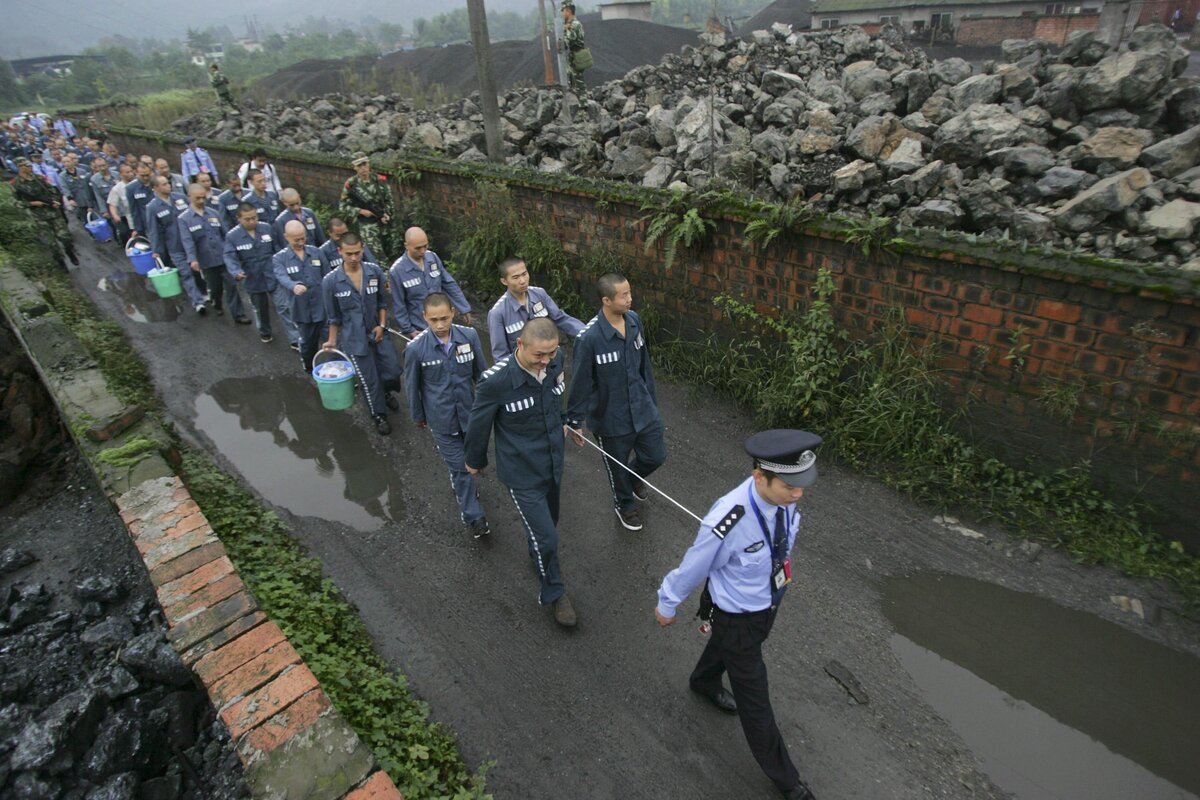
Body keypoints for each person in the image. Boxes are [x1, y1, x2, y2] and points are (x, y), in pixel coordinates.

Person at [654, 430, 823, 800]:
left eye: (802, 485)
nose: (798, 494)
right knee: (755, 702)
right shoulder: (730, 519)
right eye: (790, 486)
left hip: (766, 605)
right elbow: (696, 564)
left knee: (727, 648)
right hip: (736, 616)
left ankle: (703, 682)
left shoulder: (786, 500)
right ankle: (787, 780)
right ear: (759, 476)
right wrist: (668, 602)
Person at [464, 317, 580, 628]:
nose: (545, 361)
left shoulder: (555, 363)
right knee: (548, 539)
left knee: (547, 524)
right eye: (538, 355)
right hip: (521, 471)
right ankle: (555, 593)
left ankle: (537, 551)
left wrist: (569, 421)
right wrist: (474, 461)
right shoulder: (495, 382)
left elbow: (559, 396)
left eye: (551, 354)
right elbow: (479, 424)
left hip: (553, 463)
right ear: (520, 345)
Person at [566, 273, 666, 532]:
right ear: (606, 300)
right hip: (611, 418)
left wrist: (651, 400)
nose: (630, 299)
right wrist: (574, 421)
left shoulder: (634, 321)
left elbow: (645, 364)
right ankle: (624, 506)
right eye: (624, 296)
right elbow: (580, 381)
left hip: (642, 409)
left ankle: (632, 478)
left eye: (630, 293)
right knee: (616, 466)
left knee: (656, 455)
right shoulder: (589, 338)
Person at [405, 293, 490, 539]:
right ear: (425, 318)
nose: (440, 325)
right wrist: (418, 415)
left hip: (470, 415)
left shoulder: (469, 336)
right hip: (441, 420)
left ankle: (464, 475)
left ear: (452, 312)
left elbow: (481, 375)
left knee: (473, 458)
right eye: (434, 320)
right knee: (462, 470)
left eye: (444, 318)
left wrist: (488, 408)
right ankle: (474, 516)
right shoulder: (415, 349)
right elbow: (413, 387)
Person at [321, 233, 402, 435]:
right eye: (349, 254)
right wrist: (331, 341)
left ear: (363, 248)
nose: (354, 257)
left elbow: (383, 303)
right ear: (340, 252)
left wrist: (382, 325)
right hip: (353, 339)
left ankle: (386, 392)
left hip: (378, 332)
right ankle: (378, 415)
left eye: (357, 252)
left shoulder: (374, 272)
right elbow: (333, 317)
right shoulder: (331, 281)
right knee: (369, 379)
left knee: (392, 369)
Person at [224, 202, 299, 347]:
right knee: (261, 309)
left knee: (284, 307)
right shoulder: (232, 236)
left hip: (273, 275)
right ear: (238, 218)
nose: (252, 221)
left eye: (254, 217)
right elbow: (229, 256)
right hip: (252, 278)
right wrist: (235, 271)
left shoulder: (266, 228)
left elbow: (277, 248)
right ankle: (265, 331)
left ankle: (294, 339)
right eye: (248, 219)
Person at [487, 256, 584, 362]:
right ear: (504, 281)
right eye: (516, 277)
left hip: (549, 362)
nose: (523, 281)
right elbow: (500, 355)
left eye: (524, 274)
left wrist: (587, 333)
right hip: (523, 370)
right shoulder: (497, 313)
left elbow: (561, 319)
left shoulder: (540, 294)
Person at [179, 183, 248, 323]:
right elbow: (187, 241)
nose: (201, 201)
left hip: (223, 257)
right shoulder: (184, 219)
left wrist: (233, 252)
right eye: (198, 198)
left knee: (232, 286)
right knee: (215, 287)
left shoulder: (214, 213)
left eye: (204, 198)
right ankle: (216, 302)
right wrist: (193, 259)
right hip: (206, 260)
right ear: (189, 196)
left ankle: (238, 315)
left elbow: (225, 234)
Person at [388, 227, 471, 337]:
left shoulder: (432, 257)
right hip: (420, 328)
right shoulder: (397, 271)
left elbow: (448, 283)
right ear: (406, 245)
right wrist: (409, 329)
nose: (423, 251)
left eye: (425, 246)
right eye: (418, 248)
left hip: (443, 323)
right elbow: (399, 304)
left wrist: (464, 308)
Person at [274, 219, 330, 373]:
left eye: (303, 238)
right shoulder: (280, 258)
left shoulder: (316, 252)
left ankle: (337, 369)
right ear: (286, 237)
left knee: (332, 341)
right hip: (301, 309)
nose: (300, 242)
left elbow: (327, 275)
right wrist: (293, 286)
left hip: (322, 307)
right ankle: (309, 366)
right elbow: (281, 276)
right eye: (296, 239)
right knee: (307, 343)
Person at [146, 175, 208, 315]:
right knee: (186, 273)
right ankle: (198, 301)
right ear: (155, 188)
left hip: (191, 242)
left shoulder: (180, 198)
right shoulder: (152, 207)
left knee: (197, 270)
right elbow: (154, 230)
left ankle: (204, 291)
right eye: (163, 184)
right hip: (175, 246)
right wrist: (156, 250)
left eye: (168, 183)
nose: (168, 186)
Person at [10, 157, 78, 266]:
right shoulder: (15, 184)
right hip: (39, 217)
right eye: (27, 166)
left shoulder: (39, 178)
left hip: (53, 213)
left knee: (66, 238)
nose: (30, 168)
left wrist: (55, 201)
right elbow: (14, 202)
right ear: (20, 167)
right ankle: (61, 263)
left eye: (30, 165)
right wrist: (31, 204)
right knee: (52, 244)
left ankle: (70, 253)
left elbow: (53, 190)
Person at [339, 151, 394, 262]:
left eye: (365, 164)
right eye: (359, 165)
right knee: (378, 256)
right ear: (354, 167)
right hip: (367, 225)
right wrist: (360, 211)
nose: (363, 168)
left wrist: (386, 214)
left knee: (390, 251)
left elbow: (389, 200)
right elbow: (343, 206)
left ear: (369, 164)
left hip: (384, 222)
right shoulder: (351, 184)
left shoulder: (380, 180)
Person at [559, 1, 589, 102]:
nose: (562, 14)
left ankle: (583, 106)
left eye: (563, 11)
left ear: (568, 11)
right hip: (573, 54)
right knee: (572, 78)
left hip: (577, 54)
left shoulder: (574, 24)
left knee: (578, 80)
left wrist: (565, 31)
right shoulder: (570, 24)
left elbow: (570, 39)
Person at [58, 152, 94, 226]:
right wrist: (70, 198)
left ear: (72, 161)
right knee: (86, 220)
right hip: (78, 200)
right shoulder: (62, 176)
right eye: (64, 162)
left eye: (67, 161)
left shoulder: (82, 171)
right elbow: (65, 188)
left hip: (89, 198)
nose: (66, 164)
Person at [107, 162, 135, 244]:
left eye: (131, 171)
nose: (130, 174)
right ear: (121, 174)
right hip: (128, 215)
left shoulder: (138, 184)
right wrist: (115, 215)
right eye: (127, 172)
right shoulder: (117, 188)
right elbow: (112, 204)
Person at [125, 162, 156, 237]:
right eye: (142, 175)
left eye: (147, 175)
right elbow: (134, 210)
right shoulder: (131, 188)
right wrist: (138, 229)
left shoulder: (157, 183)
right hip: (148, 224)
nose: (145, 177)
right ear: (136, 173)